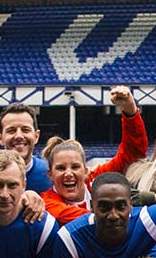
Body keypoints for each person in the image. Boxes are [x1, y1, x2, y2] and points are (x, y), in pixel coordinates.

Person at [39, 86, 148, 224]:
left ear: (86, 171)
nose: (68, 174)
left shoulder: (97, 182)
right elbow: (73, 217)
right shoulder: (46, 202)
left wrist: (130, 110)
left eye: (75, 167)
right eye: (61, 168)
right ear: (50, 174)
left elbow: (132, 153)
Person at [0, 102, 54, 192]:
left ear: (36, 136)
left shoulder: (51, 175)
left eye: (25, 130)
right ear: (0, 138)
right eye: (11, 130)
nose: (19, 136)